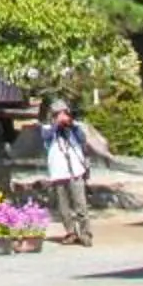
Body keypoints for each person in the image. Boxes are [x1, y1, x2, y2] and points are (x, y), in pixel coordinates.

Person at [41, 96, 95, 245]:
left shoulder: (74, 127)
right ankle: (70, 232)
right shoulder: (47, 128)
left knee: (81, 204)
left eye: (64, 112)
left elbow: (82, 138)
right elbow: (47, 136)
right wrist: (57, 125)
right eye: (59, 113)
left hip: (75, 171)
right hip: (58, 172)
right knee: (63, 206)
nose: (62, 116)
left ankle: (85, 233)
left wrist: (71, 124)